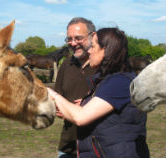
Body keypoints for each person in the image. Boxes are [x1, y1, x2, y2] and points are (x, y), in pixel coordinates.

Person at [49, 27, 150, 158]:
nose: (89, 50)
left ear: (106, 50)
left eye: (93, 46)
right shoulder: (112, 80)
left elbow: (81, 117)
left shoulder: (119, 82)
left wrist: (52, 94)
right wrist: (86, 103)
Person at [54, 17, 97, 158]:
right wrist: (57, 107)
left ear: (93, 36)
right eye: (69, 39)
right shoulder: (66, 64)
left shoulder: (106, 66)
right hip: (68, 146)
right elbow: (57, 97)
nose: (73, 43)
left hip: (97, 147)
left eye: (78, 38)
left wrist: (88, 106)